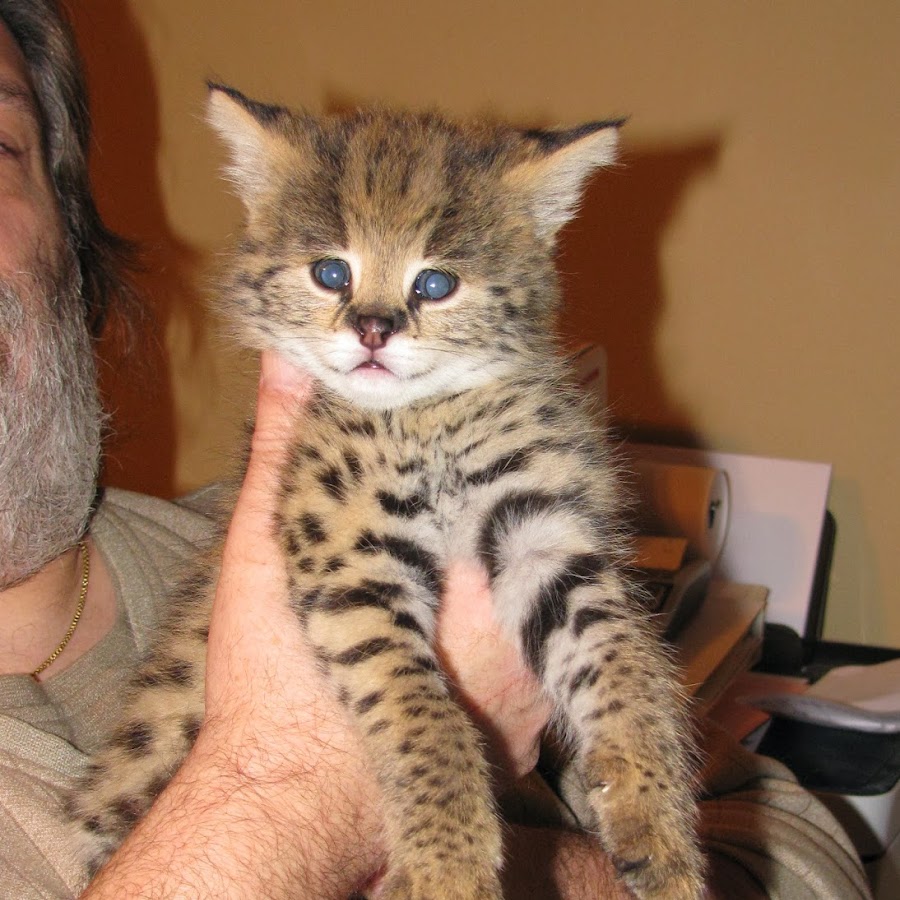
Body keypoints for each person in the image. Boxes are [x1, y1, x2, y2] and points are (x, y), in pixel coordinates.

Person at [0, 1, 873, 898]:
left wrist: (636, 766)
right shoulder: (323, 445)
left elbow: (795, 843)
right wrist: (345, 800)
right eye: (332, 275)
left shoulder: (510, 414)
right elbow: (354, 599)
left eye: (436, 283)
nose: (374, 322)